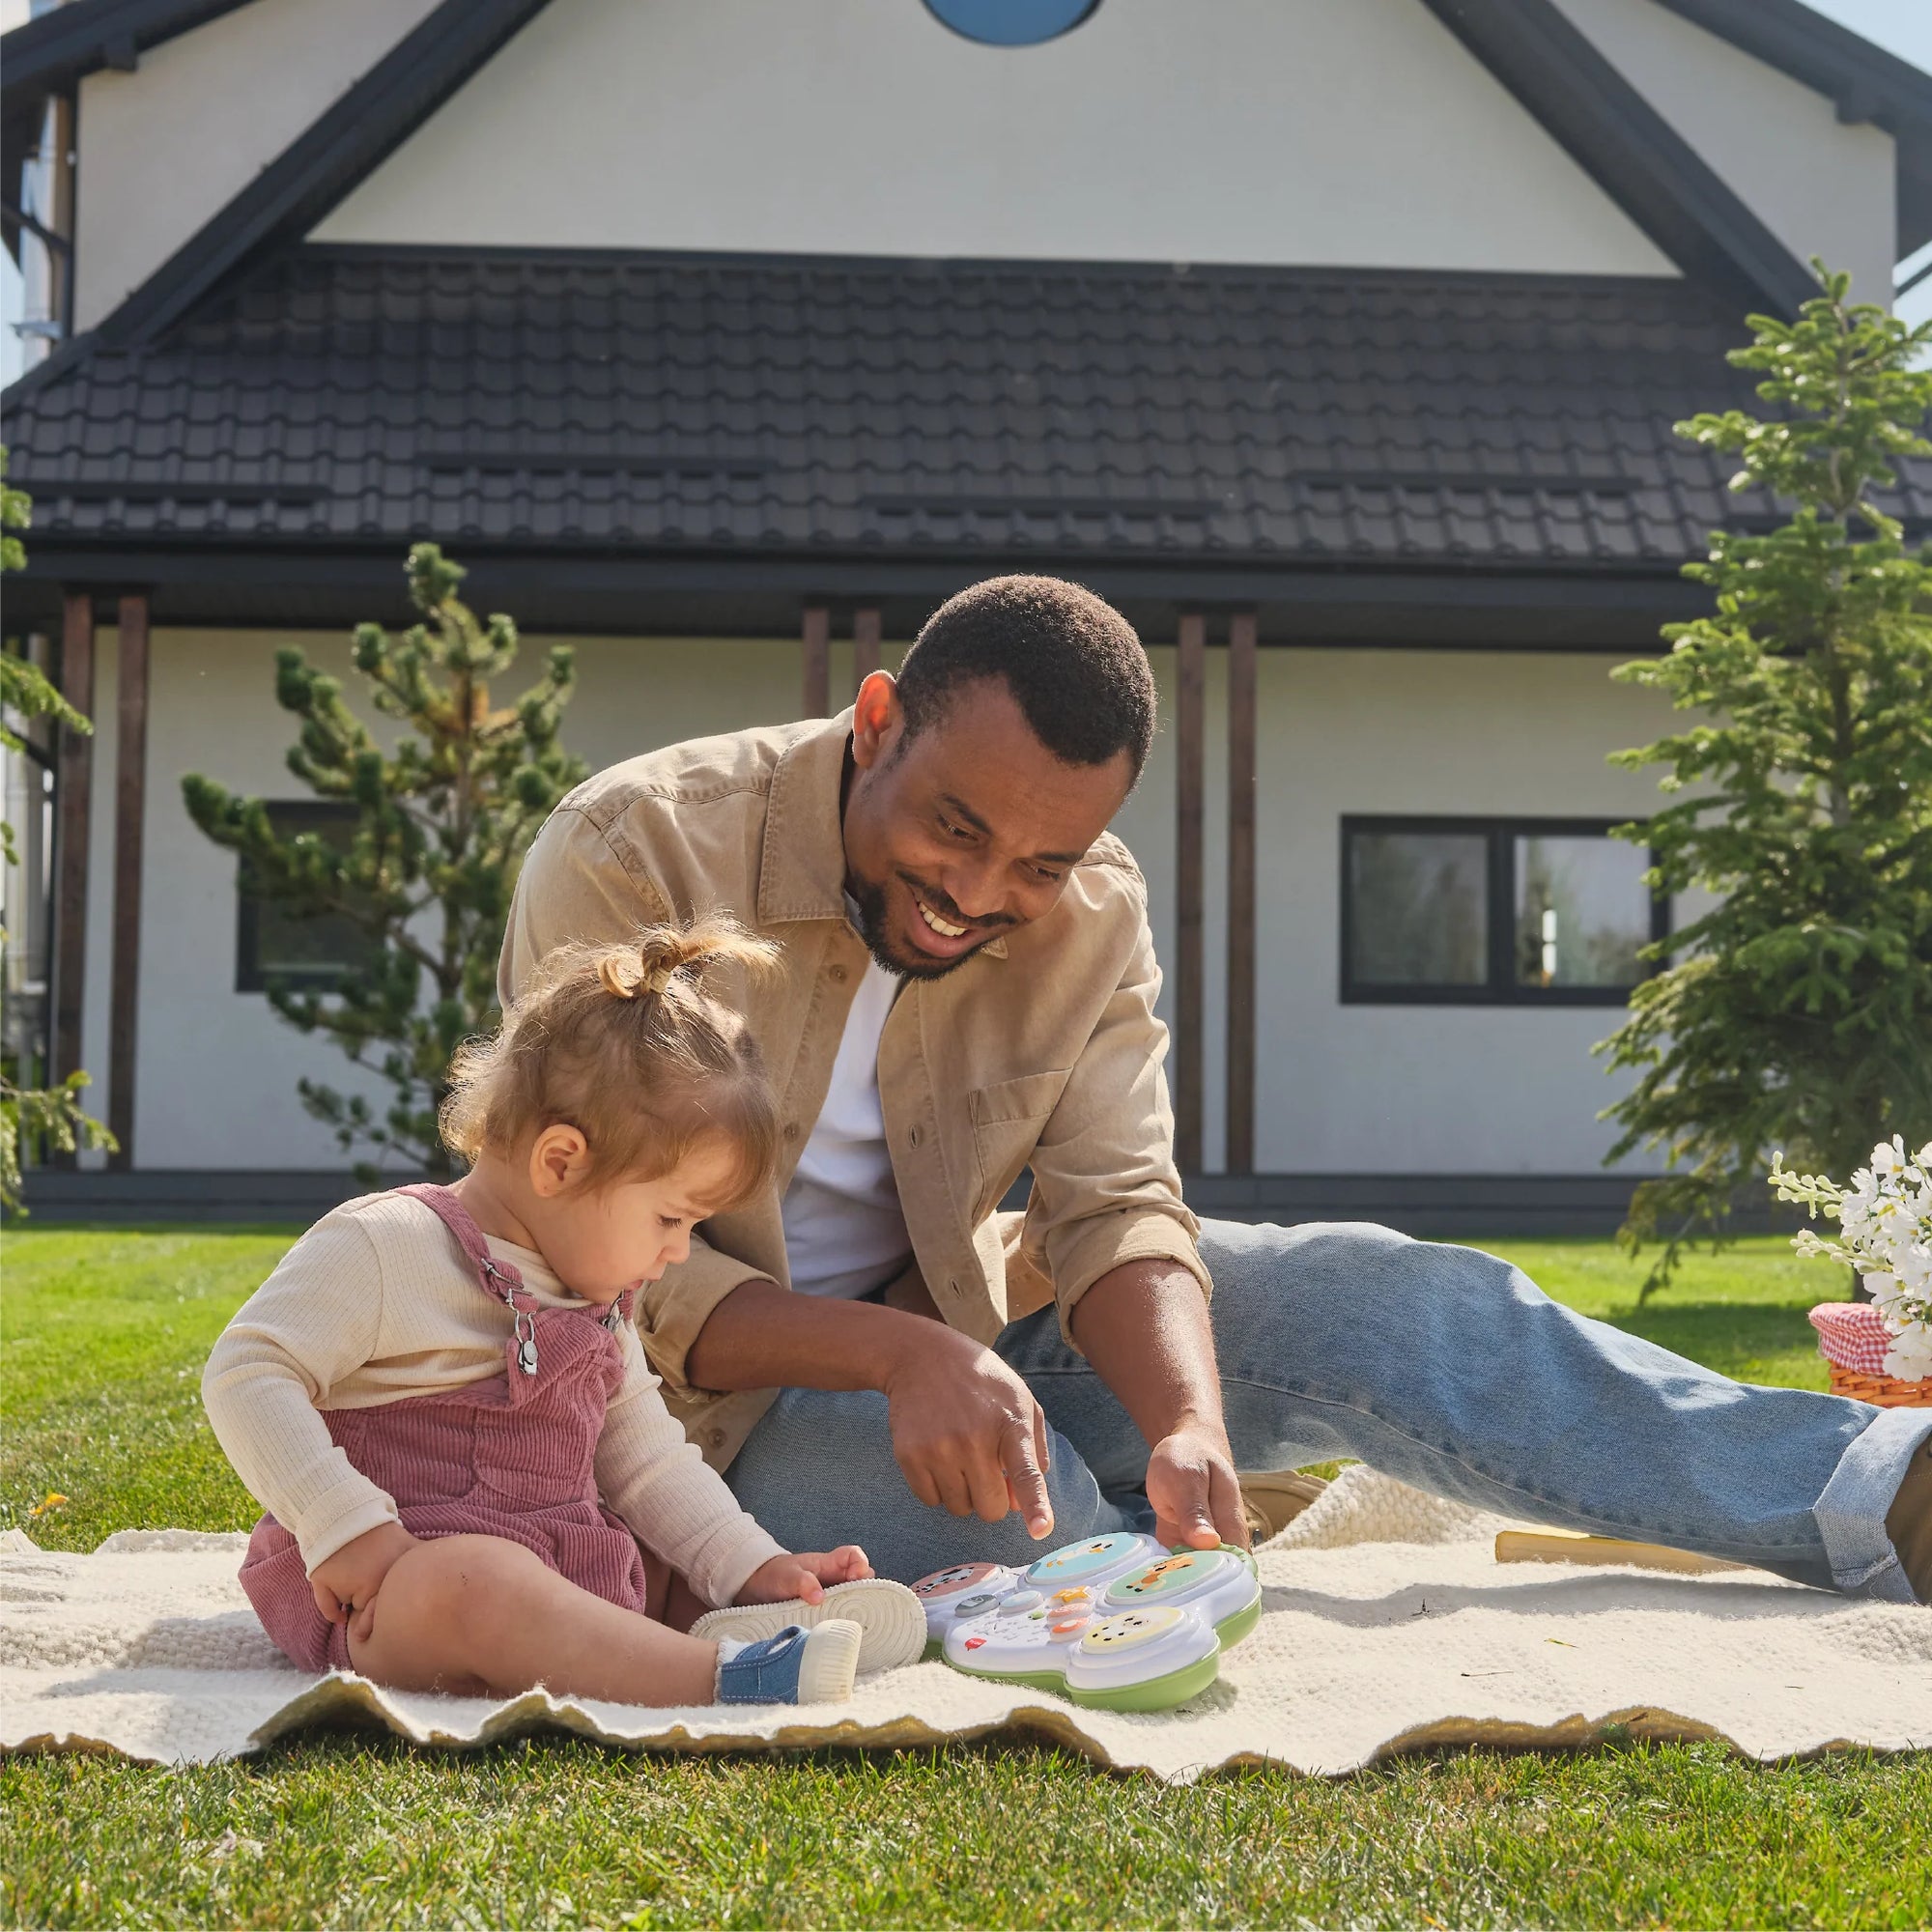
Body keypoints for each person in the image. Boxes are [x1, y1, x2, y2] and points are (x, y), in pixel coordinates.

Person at [500, 576, 1932, 1605]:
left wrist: (1188, 1418)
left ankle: (1873, 1487)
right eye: (955, 829)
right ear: (877, 721)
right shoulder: (632, 855)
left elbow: (1118, 1205)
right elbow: (592, 1278)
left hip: (961, 1342)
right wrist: (899, 1362)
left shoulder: (1091, 909)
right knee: (1043, 1548)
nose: (980, 897)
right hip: (674, 1425)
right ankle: (1088, 1530)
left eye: (1042, 865)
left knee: (1388, 1300)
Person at [204, 923, 923, 1709]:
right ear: (560, 1162)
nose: (681, 1252)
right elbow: (248, 1371)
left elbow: (649, 1464)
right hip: (395, 1595)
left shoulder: (599, 1304)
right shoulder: (388, 1246)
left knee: (654, 1564)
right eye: (670, 1219)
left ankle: (763, 1614)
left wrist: (752, 1561)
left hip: (561, 1570)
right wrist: (342, 1525)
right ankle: (724, 1678)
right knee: (480, 1585)